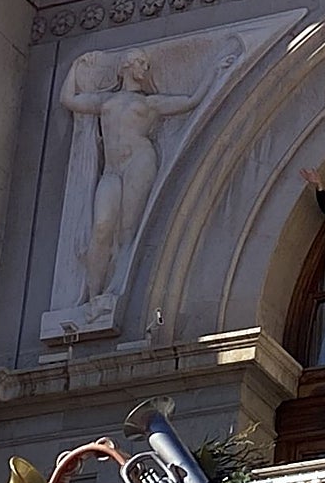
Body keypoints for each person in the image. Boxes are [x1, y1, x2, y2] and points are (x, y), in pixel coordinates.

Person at [59, 47, 235, 302]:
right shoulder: (105, 101)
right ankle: (91, 296)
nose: (145, 68)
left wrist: (216, 70)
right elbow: (69, 100)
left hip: (139, 162)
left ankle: (115, 293)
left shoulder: (149, 102)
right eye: (141, 63)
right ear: (127, 66)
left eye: (146, 64)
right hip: (111, 169)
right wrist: (76, 66)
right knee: (102, 226)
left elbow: (190, 100)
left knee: (128, 229)